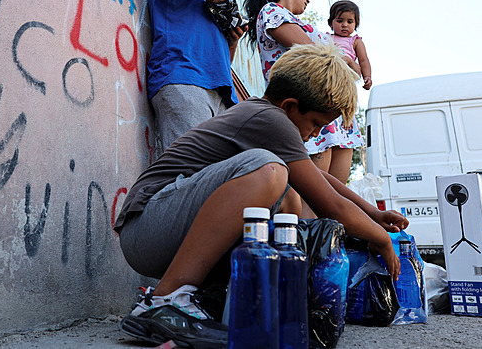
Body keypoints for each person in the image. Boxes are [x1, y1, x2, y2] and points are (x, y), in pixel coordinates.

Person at [115, 42, 409, 348]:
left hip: (163, 230)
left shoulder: (267, 117)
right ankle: (165, 300)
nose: (317, 134)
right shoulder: (271, 120)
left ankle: (213, 301)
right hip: (147, 227)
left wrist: (373, 214)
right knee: (270, 173)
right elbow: (330, 204)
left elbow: (321, 180)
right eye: (317, 124)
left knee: (290, 199)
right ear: (290, 106)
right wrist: (380, 237)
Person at [244, 0, 363, 186]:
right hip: (310, 104)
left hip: (329, 103)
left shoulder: (291, 19)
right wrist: (346, 61)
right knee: (316, 192)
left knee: (335, 192)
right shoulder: (272, 11)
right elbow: (313, 53)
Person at [146, 0, 248, 152]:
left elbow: (223, 65)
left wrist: (232, 40)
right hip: (184, 81)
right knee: (189, 169)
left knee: (216, 175)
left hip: (221, 97)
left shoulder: (209, 5)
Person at [328, 0, 372, 90]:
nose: (344, 25)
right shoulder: (326, 38)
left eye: (349, 22)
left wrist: (367, 76)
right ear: (330, 23)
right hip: (329, 71)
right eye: (340, 21)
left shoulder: (355, 41)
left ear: (356, 24)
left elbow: (364, 60)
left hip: (347, 73)